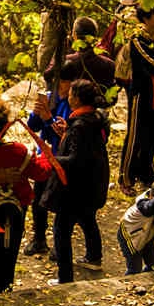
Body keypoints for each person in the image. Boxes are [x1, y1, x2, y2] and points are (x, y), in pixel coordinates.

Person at [0, 99, 49, 297]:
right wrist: (47, 153)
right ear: (6, 126)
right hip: (15, 213)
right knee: (9, 252)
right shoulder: (20, 152)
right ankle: (5, 290)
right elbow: (41, 173)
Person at [45, 77, 110, 281]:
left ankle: (65, 278)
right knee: (87, 218)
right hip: (91, 184)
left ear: (78, 99)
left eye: (72, 94)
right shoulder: (93, 119)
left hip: (76, 188)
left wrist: (53, 159)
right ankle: (93, 257)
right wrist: (66, 133)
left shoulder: (81, 125)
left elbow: (77, 159)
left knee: (61, 230)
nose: (69, 96)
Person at [24, 59, 83, 258]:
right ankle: (39, 239)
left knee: (61, 203)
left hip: (64, 159)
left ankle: (60, 244)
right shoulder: (50, 98)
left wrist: (49, 118)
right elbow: (33, 127)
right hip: (45, 157)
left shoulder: (74, 104)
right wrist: (37, 113)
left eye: (62, 82)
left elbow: (66, 135)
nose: (58, 87)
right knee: (38, 199)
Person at [119, 3, 154, 191]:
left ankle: (146, 171)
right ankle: (125, 176)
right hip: (142, 93)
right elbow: (152, 63)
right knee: (136, 133)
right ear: (146, 18)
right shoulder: (137, 39)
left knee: (153, 133)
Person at [117, 182, 154, 274]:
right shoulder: (143, 203)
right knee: (134, 269)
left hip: (145, 236)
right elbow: (149, 207)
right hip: (130, 237)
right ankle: (128, 285)